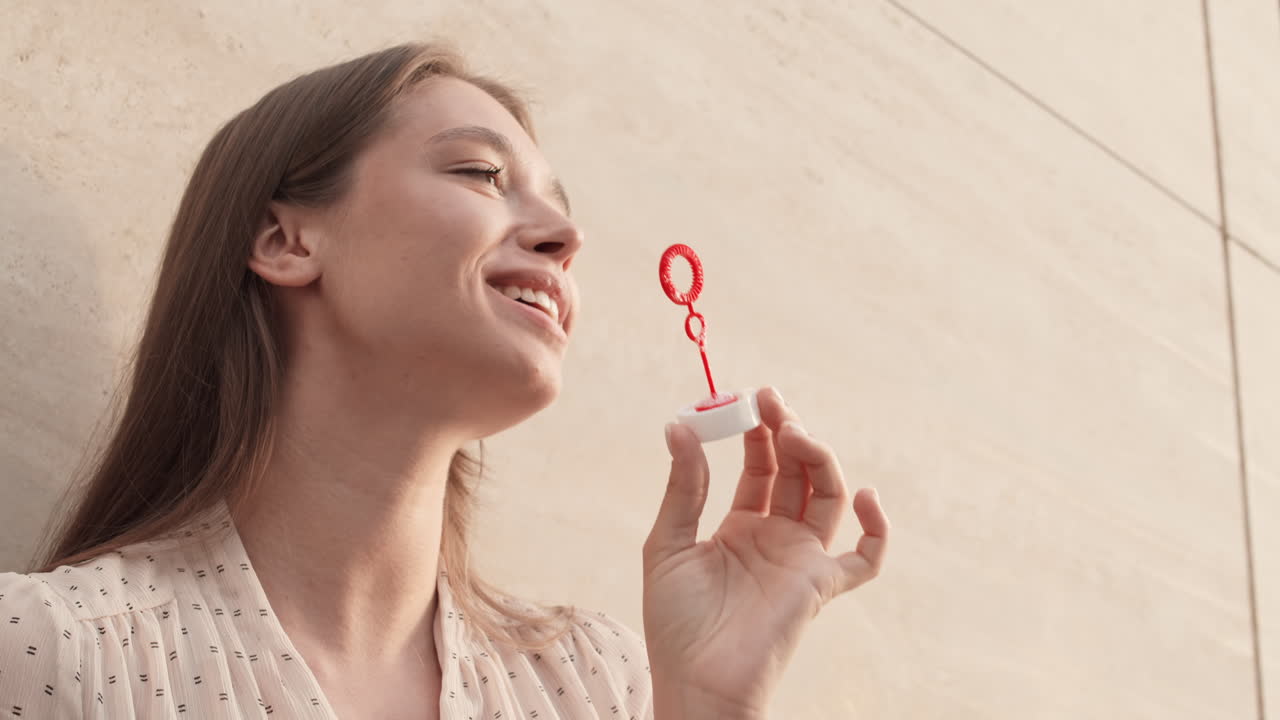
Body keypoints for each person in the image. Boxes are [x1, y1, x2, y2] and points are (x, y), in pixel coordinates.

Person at [0, 42, 889, 719]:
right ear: (286, 241)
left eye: (559, 207)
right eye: (481, 173)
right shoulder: (57, 653)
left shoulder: (588, 685)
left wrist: (702, 702)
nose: (561, 236)